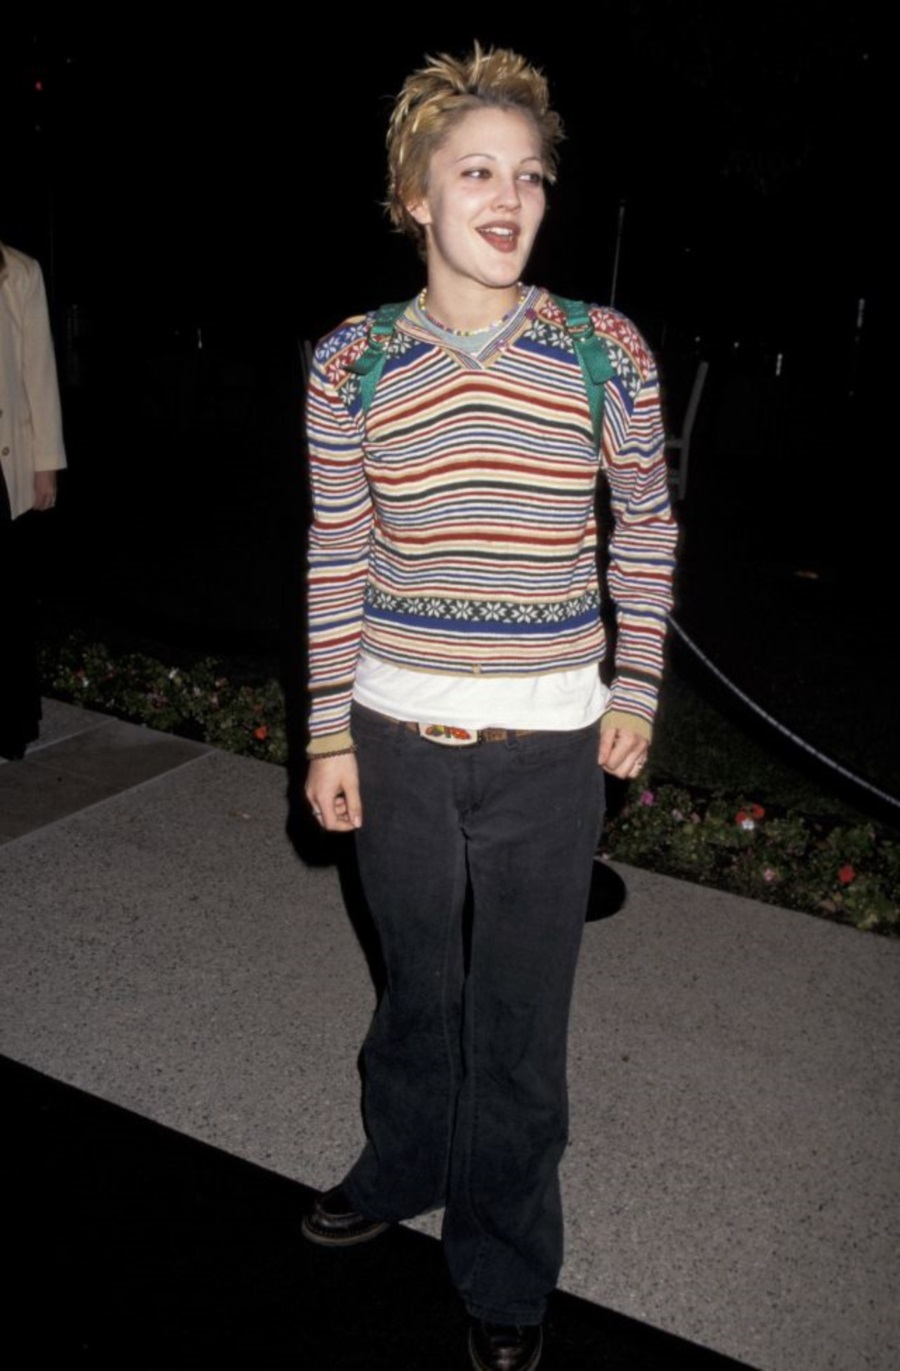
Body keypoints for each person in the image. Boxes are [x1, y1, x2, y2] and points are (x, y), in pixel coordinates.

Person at [302, 45, 676, 1371]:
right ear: (416, 195)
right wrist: (328, 727)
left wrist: (636, 687)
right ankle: (402, 1160)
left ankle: (505, 1266)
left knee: (517, 1029)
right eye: (476, 172)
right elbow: (338, 549)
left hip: (548, 748)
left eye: (529, 176)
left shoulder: (601, 349)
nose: (509, 198)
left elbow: (646, 527)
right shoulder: (350, 363)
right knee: (417, 988)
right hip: (394, 735)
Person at [0, 242, 66, 759]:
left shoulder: (18, 272)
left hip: (5, 461)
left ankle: (10, 721)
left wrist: (46, 463)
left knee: (8, 596)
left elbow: (39, 373)